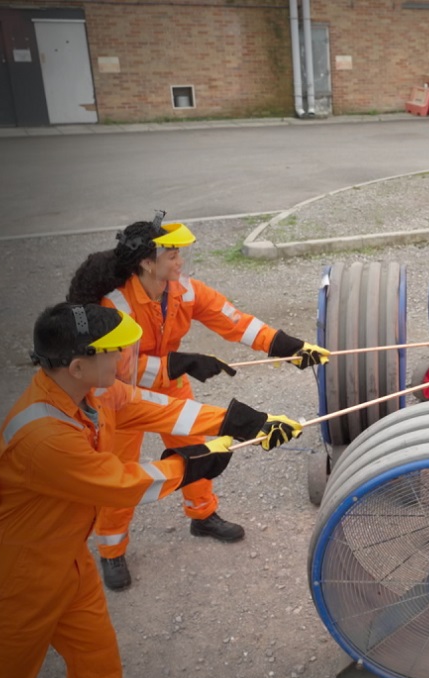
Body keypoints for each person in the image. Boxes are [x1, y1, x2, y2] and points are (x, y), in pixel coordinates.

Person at [0, 302, 301, 678]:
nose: (122, 358)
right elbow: (121, 484)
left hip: (68, 563)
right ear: (78, 366)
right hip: (9, 578)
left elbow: (157, 408)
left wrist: (240, 423)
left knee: (99, 674)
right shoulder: (43, 436)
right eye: (112, 351)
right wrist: (189, 464)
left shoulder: (93, 391)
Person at [65, 213, 328, 590]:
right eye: (173, 255)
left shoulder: (184, 291)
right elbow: (121, 373)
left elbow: (235, 321)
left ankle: (202, 515)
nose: (180, 261)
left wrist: (290, 348)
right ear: (147, 262)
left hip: (170, 385)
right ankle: (111, 549)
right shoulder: (115, 306)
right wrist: (181, 362)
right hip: (120, 401)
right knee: (120, 473)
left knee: (196, 451)